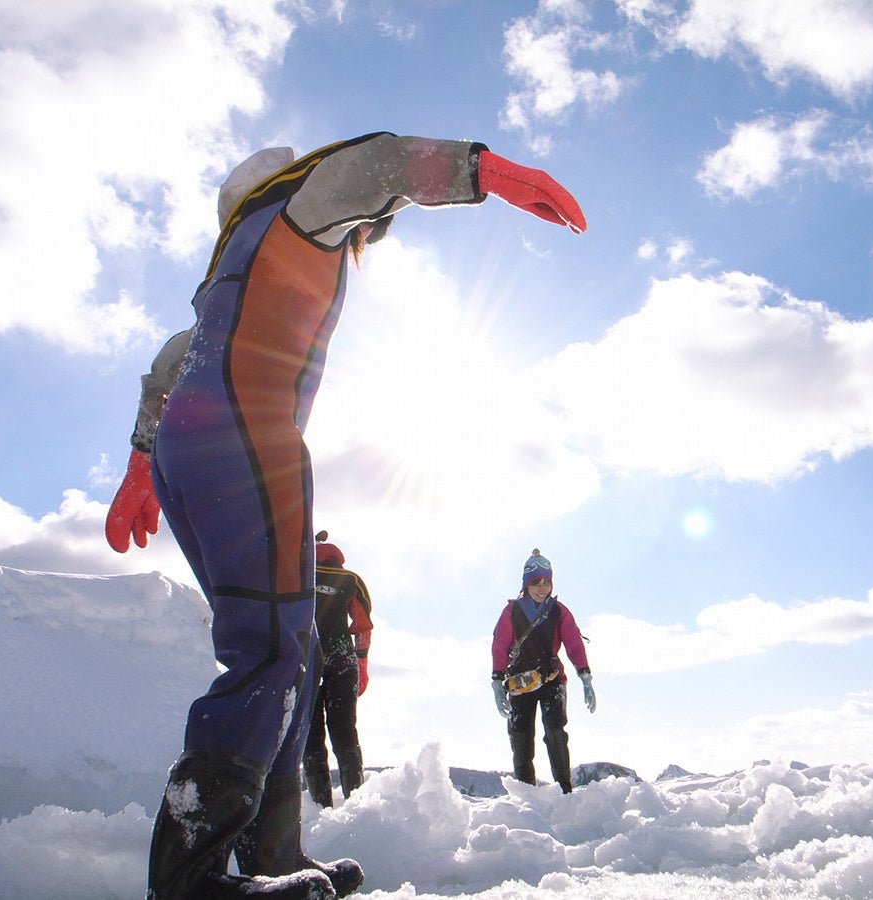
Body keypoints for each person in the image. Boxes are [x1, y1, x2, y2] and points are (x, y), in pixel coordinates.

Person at [104, 133, 585, 900]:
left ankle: (272, 857)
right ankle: (189, 880)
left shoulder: (233, 271)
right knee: (269, 652)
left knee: (283, 649)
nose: (361, 237)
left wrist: (140, 462)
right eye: (363, 230)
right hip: (246, 436)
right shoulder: (292, 204)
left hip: (193, 447)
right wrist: (482, 173)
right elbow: (372, 167)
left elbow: (169, 363)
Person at [490, 549, 596, 794]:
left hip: (551, 680)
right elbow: (500, 646)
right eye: (536, 582)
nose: (542, 587)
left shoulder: (558, 611)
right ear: (526, 584)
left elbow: (573, 643)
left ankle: (564, 792)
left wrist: (585, 675)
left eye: (546, 582)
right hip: (520, 682)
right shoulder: (511, 612)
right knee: (521, 737)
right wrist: (497, 682)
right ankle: (527, 797)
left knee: (556, 731)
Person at [304, 531, 373, 808]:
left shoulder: (300, 572)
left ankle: (320, 807)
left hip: (307, 657)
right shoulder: (350, 579)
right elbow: (363, 626)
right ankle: (355, 804)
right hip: (342, 658)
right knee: (345, 731)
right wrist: (362, 665)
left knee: (310, 735)